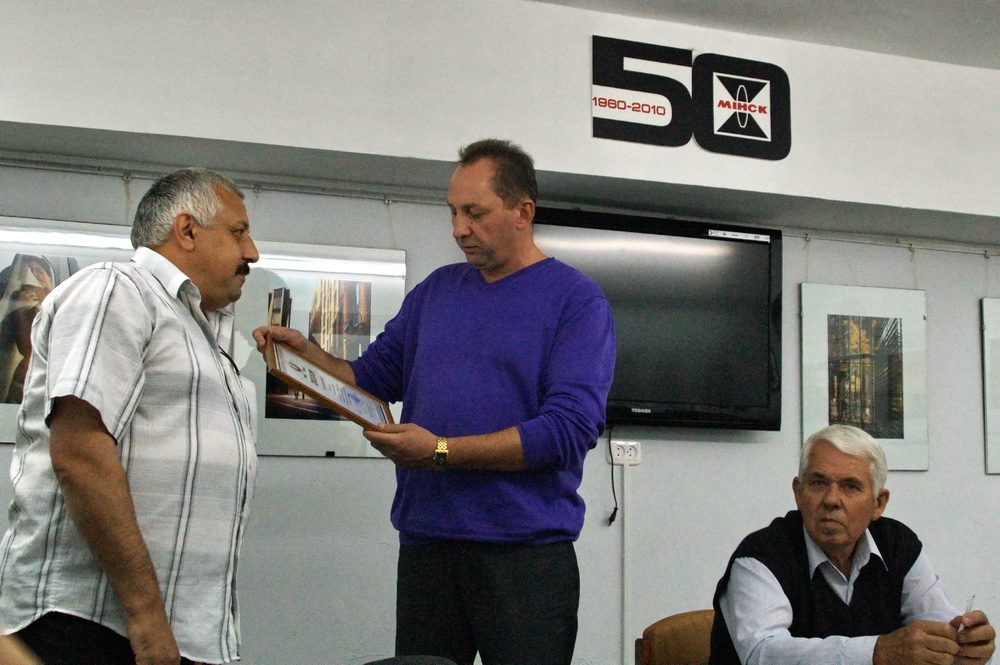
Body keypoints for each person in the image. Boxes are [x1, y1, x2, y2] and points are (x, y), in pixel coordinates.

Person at [253, 139, 616, 665]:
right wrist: (307, 357)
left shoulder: (576, 300)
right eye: (452, 212)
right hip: (428, 544)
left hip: (525, 555)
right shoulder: (436, 291)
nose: (458, 229)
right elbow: (370, 379)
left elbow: (567, 432)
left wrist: (440, 451)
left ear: (523, 212)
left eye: (475, 213)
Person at [0, 168, 260, 665]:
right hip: (95, 627)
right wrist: (145, 617)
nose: (252, 252)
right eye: (238, 232)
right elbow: (80, 455)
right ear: (186, 230)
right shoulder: (116, 289)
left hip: (177, 632)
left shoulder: (200, 329)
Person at [709, 424, 996, 665]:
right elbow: (763, 654)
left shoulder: (898, 545)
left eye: (850, 486)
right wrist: (877, 652)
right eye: (818, 483)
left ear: (878, 503)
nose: (832, 500)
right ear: (798, 492)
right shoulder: (760, 556)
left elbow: (939, 624)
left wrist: (962, 645)